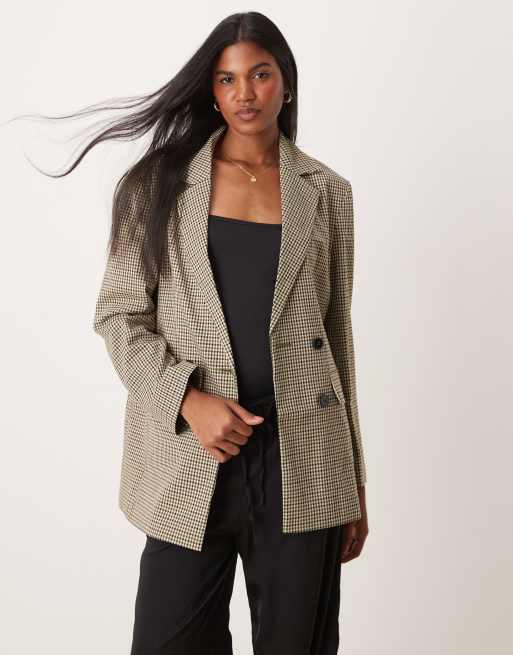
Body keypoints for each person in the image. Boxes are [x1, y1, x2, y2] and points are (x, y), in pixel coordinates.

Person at [27, 10, 369, 654]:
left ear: (286, 83)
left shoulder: (328, 193)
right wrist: (188, 400)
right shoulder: (157, 185)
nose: (245, 93)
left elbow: (336, 336)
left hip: (303, 456)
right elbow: (119, 314)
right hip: (191, 448)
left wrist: (353, 481)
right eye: (227, 78)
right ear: (211, 91)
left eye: (260, 74)